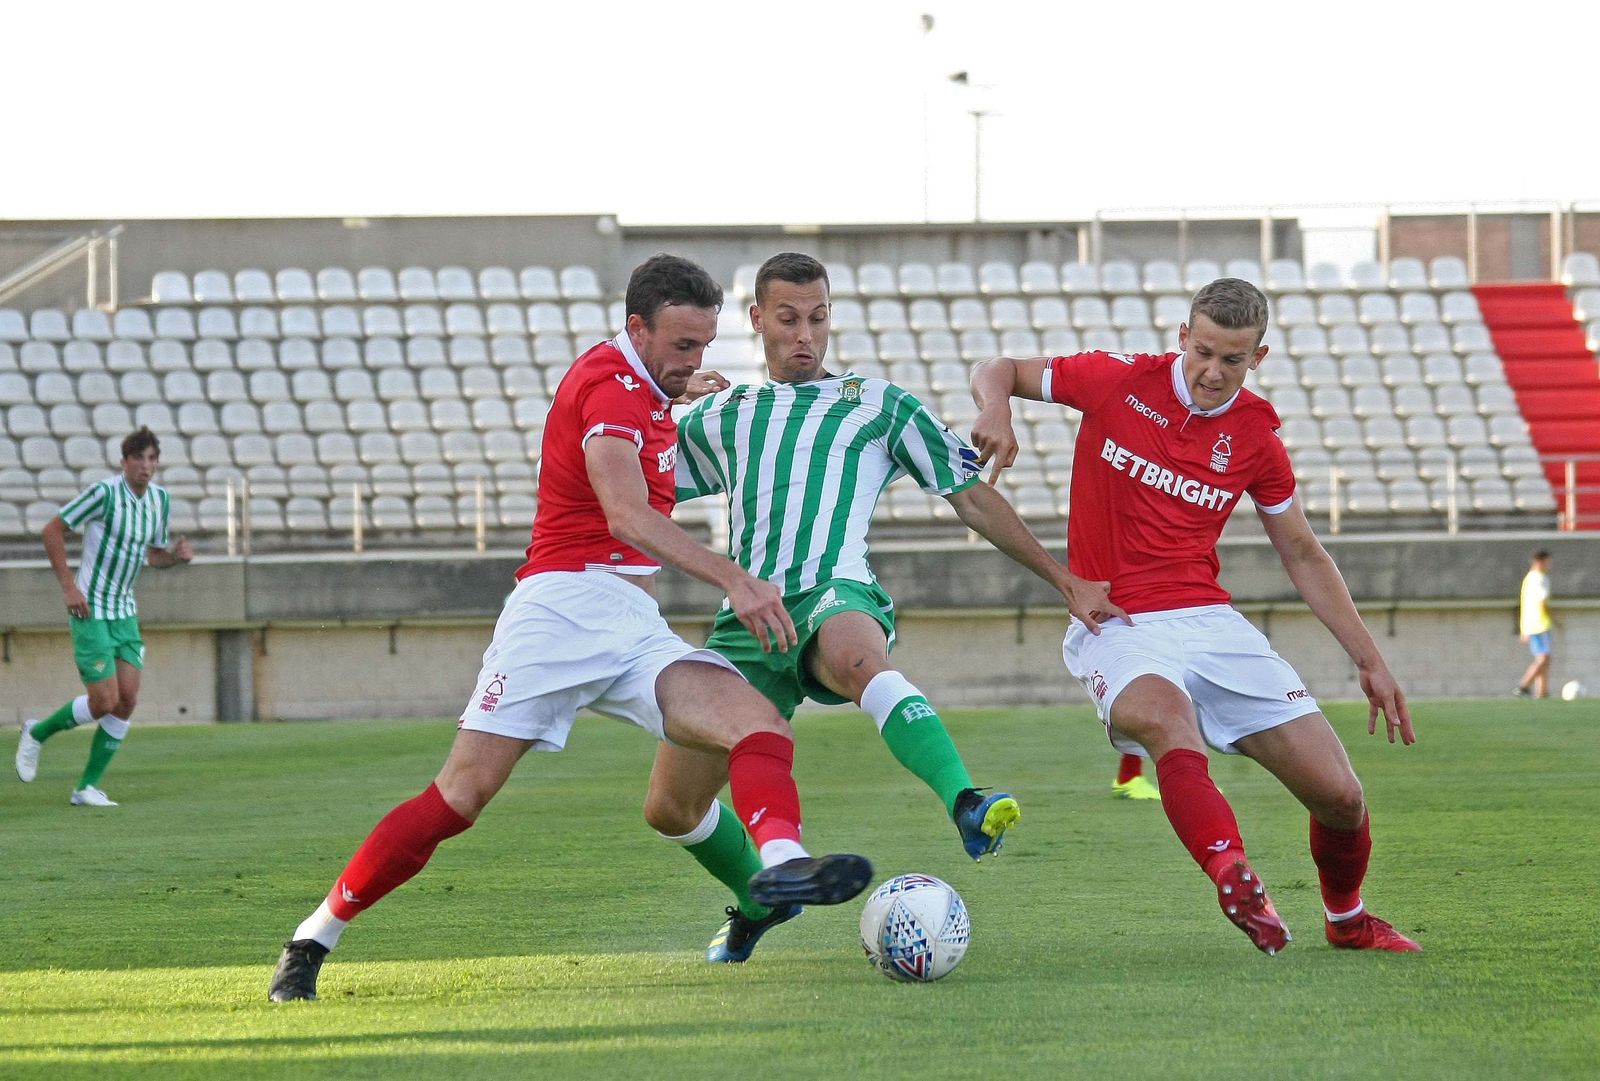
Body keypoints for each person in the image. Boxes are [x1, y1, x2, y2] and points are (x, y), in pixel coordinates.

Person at [267, 254, 872, 1002]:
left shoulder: (648, 386)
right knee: (458, 797)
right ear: (636, 327)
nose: (695, 360)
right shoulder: (609, 387)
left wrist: (682, 388)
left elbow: (655, 410)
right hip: (557, 613)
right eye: (682, 346)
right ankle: (311, 938)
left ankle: (780, 862)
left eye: (705, 346)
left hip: (630, 617)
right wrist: (734, 578)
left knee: (756, 722)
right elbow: (623, 512)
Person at [651, 252, 1122, 963]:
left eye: (818, 317)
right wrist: (664, 404)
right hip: (747, 616)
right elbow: (630, 485)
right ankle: (758, 894)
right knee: (671, 807)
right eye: (788, 319)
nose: (806, 333)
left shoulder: (879, 404)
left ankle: (965, 799)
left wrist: (1062, 579)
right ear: (756, 322)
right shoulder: (725, 413)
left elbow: (971, 496)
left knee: (855, 653)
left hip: (836, 589)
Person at [969, 277, 1421, 955]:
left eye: (1231, 359)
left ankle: (1347, 917)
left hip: (1210, 622)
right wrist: (996, 409)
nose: (1212, 371)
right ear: (1183, 337)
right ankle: (1233, 874)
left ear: (1257, 358)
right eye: (1202, 351)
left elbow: (1301, 551)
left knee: (1342, 798)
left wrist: (1369, 658)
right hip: (1114, 620)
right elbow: (995, 368)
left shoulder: (1257, 437)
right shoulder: (1116, 380)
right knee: (1166, 721)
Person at [15, 427, 192, 806]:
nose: (146, 466)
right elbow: (52, 530)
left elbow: (153, 555)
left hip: (124, 610)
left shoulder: (160, 501)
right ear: (124, 461)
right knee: (103, 701)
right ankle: (37, 732)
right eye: (139, 458)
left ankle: (86, 788)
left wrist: (175, 557)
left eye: (152, 459)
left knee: (127, 699)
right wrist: (68, 586)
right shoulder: (104, 494)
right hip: (90, 607)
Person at [1515, 549, 1553, 698]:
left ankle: (1542, 692)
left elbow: (1525, 605)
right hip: (1540, 624)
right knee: (1544, 658)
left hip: (1530, 624)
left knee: (1542, 659)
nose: (1549, 565)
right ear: (1539, 562)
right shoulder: (1540, 578)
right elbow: (1542, 601)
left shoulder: (1528, 579)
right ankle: (1523, 685)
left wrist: (1524, 629)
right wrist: (1554, 618)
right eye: (1547, 562)